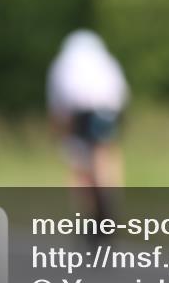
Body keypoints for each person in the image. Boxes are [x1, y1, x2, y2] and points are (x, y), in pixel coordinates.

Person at [47, 29, 129, 230]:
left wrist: (61, 132)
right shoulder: (106, 60)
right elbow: (122, 92)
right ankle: (109, 198)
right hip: (109, 111)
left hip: (80, 113)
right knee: (105, 154)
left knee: (78, 163)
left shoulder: (64, 63)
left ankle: (86, 215)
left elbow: (58, 103)